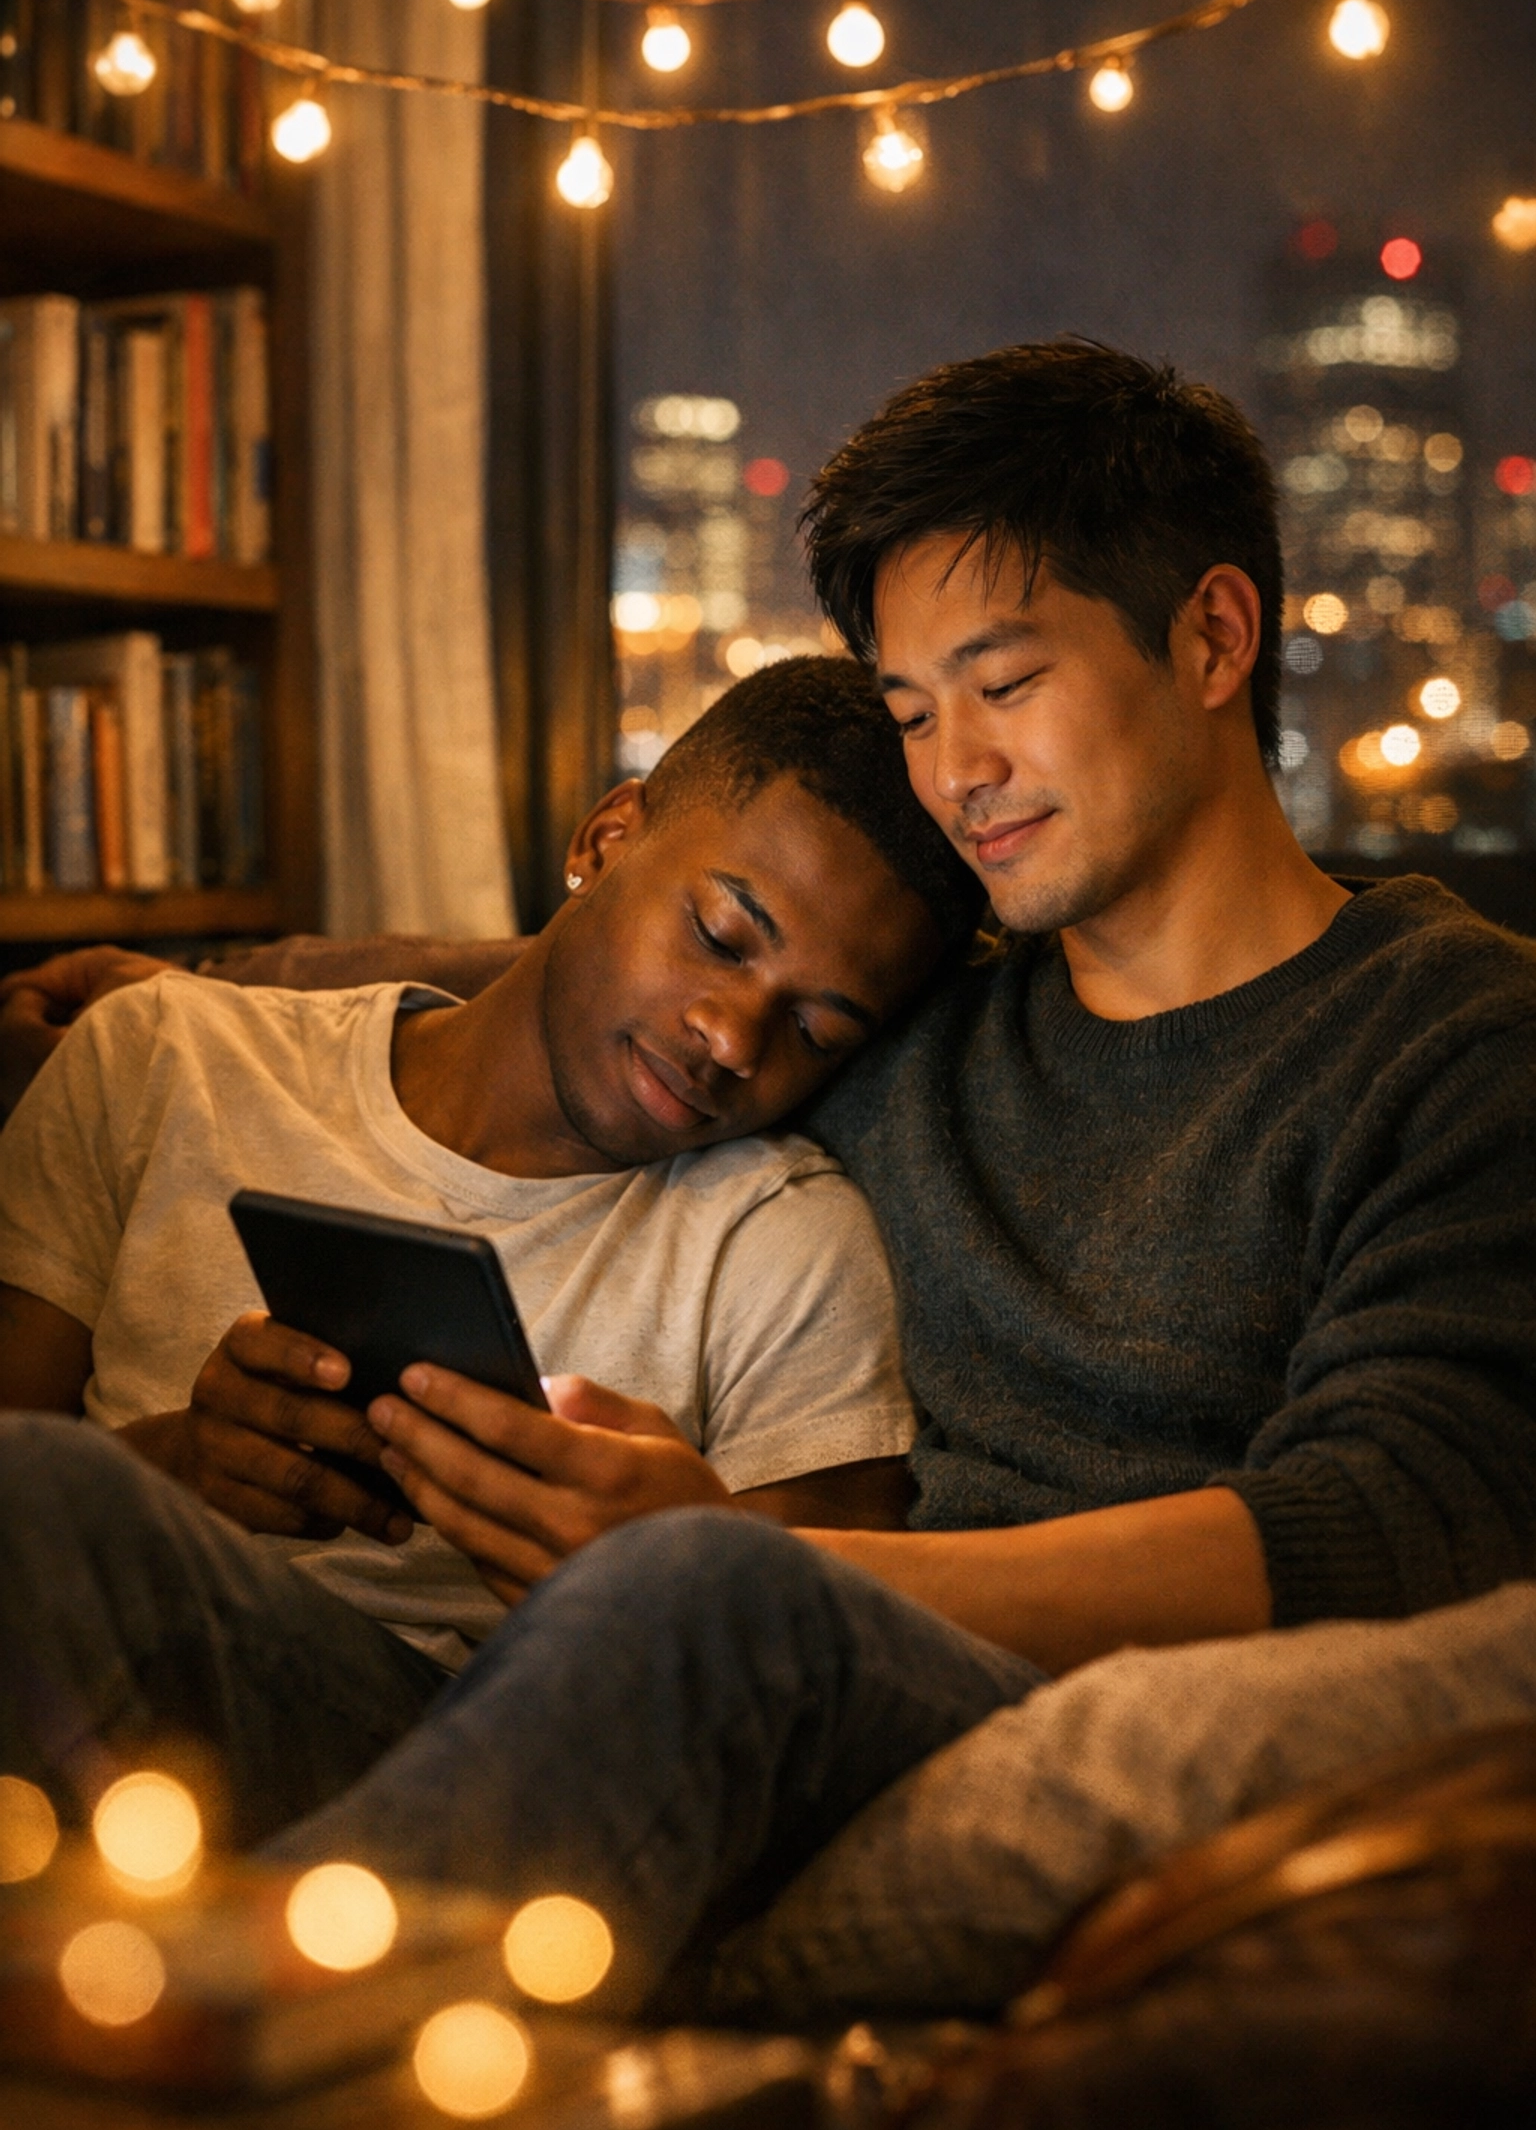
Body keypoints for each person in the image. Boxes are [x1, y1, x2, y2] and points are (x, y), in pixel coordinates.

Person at [2, 341, 1533, 2018]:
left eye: (1003, 684)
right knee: (51, 1496)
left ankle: (217, 2048)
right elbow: (634, 980)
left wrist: (768, 1563)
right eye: (911, 708)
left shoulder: (1451, 1035)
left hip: (983, 1694)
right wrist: (210, 993)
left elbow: (1397, 1518)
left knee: (694, 1584)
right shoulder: (915, 1021)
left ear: (1213, 637)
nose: (955, 770)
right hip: (717, 1701)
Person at [0, 657, 979, 1686]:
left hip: (447, 1750)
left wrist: (649, 1573)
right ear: (606, 840)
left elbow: (822, 1679)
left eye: (818, 1030)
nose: (735, 1039)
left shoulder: (781, 1246)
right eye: (720, 936)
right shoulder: (160, 1055)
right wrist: (180, 1466)